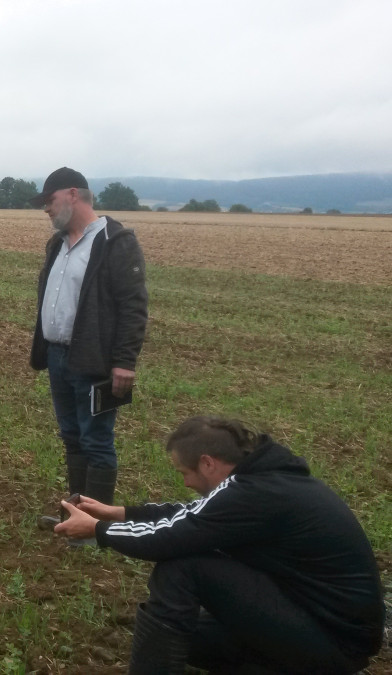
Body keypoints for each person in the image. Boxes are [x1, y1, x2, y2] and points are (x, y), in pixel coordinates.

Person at [55, 416, 385, 674]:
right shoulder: (263, 480)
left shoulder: (254, 493)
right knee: (188, 639)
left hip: (335, 643)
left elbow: (170, 538)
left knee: (182, 568)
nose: (184, 481)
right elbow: (194, 517)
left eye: (184, 471)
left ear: (208, 463)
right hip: (323, 625)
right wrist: (119, 514)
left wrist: (98, 530)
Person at [28, 167, 147, 521]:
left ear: (73, 195)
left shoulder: (116, 241)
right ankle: (74, 514)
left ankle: (95, 525)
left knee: (96, 441)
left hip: (95, 362)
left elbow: (133, 306)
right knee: (72, 437)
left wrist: (125, 362)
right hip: (58, 357)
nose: (46, 209)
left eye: (50, 200)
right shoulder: (58, 244)